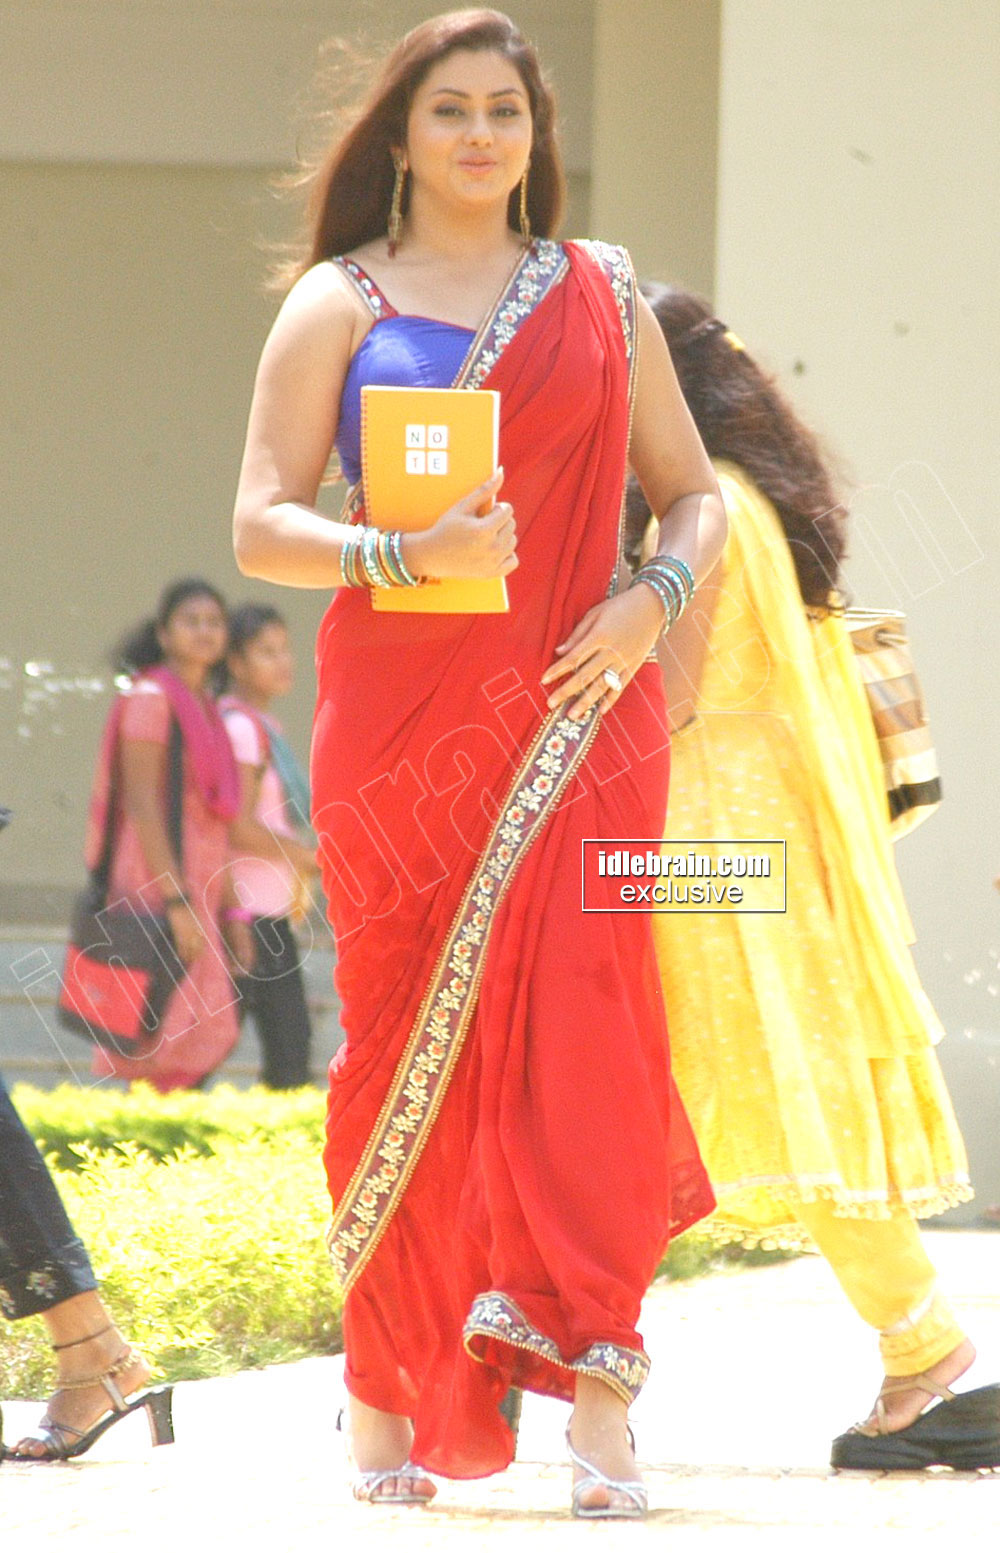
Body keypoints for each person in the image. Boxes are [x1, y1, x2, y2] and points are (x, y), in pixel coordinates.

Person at [233, 9, 726, 1517]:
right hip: (405, 730)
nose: (479, 136)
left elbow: (693, 494)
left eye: (504, 112)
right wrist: (400, 552)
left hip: (585, 711)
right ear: (401, 135)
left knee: (590, 1031)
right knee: (395, 1042)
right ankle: (386, 1388)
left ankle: (602, 1405)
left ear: (535, 137)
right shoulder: (341, 300)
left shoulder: (603, 292)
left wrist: (651, 600)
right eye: (450, 109)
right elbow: (260, 523)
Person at [627, 282, 1000, 1471]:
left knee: (636, 1084)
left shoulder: (698, 514)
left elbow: (666, 700)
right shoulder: (760, 502)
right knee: (755, 1089)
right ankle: (920, 1349)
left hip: (695, 855)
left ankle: (925, 1350)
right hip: (766, 848)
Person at [88, 578, 251, 1092]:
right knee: (156, 1024)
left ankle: (169, 1131)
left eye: (214, 622)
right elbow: (141, 803)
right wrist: (176, 901)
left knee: (200, 1024)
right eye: (191, 621)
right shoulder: (150, 697)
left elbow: (219, 818)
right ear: (163, 633)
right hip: (155, 878)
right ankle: (146, 1133)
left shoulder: (208, 706)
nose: (205, 631)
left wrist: (232, 913)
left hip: (201, 880)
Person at [221, 603, 318, 1089]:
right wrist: (310, 858)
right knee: (288, 1054)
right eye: (266, 652)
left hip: (269, 913)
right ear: (235, 663)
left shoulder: (262, 727)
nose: (283, 661)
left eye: (284, 649)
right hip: (246, 914)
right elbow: (236, 827)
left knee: (286, 1052)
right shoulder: (241, 729)